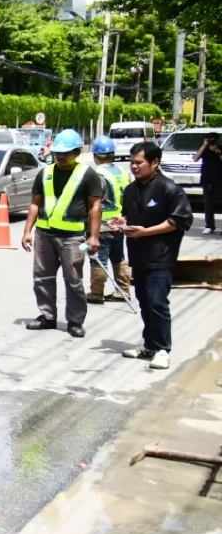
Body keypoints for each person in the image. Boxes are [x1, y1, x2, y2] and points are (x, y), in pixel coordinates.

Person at [20, 130, 105, 338]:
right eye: (57, 152)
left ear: (76, 152)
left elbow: (95, 206)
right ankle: (47, 316)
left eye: (65, 153)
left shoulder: (87, 174)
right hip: (44, 235)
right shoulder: (45, 173)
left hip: (73, 237)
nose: (60, 156)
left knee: (73, 279)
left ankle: (75, 320)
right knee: (42, 277)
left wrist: (93, 236)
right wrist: (27, 231)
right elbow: (34, 204)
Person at [118, 140, 193, 369]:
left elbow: (179, 221)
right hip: (138, 255)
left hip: (161, 257)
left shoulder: (169, 188)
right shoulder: (131, 190)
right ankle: (149, 344)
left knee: (157, 302)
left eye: (139, 162)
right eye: (132, 162)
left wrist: (146, 232)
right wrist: (121, 222)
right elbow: (128, 216)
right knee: (144, 301)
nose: (134, 167)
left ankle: (162, 349)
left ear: (155, 162)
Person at [87, 135, 132, 303]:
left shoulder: (96, 174)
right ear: (113, 154)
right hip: (119, 223)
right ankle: (123, 291)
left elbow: (92, 201)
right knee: (118, 257)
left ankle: (96, 293)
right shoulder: (123, 172)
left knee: (98, 258)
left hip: (101, 224)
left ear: (95, 156)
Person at [195, 131, 222, 233]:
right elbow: (196, 159)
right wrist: (204, 145)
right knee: (208, 204)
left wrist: (217, 151)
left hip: (220, 179)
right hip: (207, 180)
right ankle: (209, 226)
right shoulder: (204, 150)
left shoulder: (220, 148)